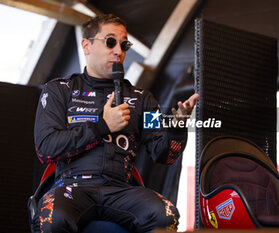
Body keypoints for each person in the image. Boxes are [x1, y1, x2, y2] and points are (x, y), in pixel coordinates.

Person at [33, 14, 199, 233]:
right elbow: (46, 149)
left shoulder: (141, 98)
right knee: (52, 219)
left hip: (121, 190)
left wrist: (177, 128)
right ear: (86, 45)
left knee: (166, 215)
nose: (119, 51)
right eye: (110, 42)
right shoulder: (60, 90)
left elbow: (165, 155)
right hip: (72, 187)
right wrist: (102, 126)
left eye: (124, 44)